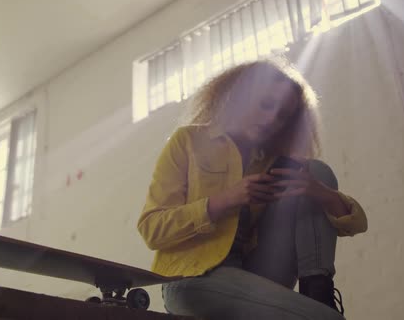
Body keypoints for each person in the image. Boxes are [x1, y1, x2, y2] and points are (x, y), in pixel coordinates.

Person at [137, 60, 368, 319]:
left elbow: (357, 223)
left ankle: (318, 292)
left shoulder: (270, 161)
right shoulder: (188, 141)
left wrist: (321, 193)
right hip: (192, 278)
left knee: (315, 172)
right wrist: (224, 200)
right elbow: (151, 229)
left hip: (253, 273)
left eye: (282, 115)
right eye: (266, 105)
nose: (272, 119)